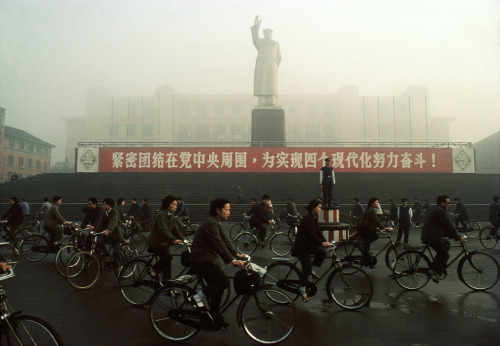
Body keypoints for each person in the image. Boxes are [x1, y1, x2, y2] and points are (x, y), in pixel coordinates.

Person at [189, 198, 245, 327]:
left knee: (217, 288)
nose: (229, 212)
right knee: (223, 282)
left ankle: (214, 315)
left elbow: (224, 240)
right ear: (218, 210)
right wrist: (232, 261)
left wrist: (236, 254)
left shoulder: (215, 221)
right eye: (227, 209)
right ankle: (196, 298)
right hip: (201, 260)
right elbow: (218, 243)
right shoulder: (211, 223)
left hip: (207, 259)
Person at [291, 200, 331, 302]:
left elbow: (317, 231)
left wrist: (325, 241)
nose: (320, 209)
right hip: (301, 247)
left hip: (309, 245)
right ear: (313, 207)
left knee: (322, 253)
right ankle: (302, 288)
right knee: (306, 267)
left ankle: (311, 269)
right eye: (319, 207)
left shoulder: (314, 217)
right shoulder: (307, 218)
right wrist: (321, 243)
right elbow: (310, 233)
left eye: (321, 207)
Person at [421, 195, 465, 282]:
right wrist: (458, 237)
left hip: (430, 235)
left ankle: (436, 266)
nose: (449, 204)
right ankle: (434, 272)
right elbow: (448, 224)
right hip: (432, 237)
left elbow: (439, 225)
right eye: (448, 202)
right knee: (445, 255)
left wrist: (449, 235)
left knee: (446, 244)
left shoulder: (436, 209)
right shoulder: (440, 211)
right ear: (442, 203)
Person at [147, 195, 183, 280]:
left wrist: (183, 239)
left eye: (176, 204)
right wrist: (173, 240)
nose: (176, 206)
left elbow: (175, 229)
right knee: (168, 257)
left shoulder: (171, 215)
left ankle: (168, 286)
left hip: (163, 243)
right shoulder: (161, 215)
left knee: (167, 264)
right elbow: (163, 230)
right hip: (156, 243)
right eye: (173, 204)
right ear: (167, 204)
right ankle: (153, 269)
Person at [251, 16, 281, 106]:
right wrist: (256, 27)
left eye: (269, 32)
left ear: (271, 33)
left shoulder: (275, 43)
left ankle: (272, 100)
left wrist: (275, 65)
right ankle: (262, 100)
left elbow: (279, 56)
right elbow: (255, 39)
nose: (267, 34)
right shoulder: (260, 42)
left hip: (272, 67)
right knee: (262, 83)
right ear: (263, 33)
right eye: (265, 32)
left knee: (271, 83)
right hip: (262, 66)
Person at [95, 198, 124, 272]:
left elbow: (113, 222)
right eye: (103, 204)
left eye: (105, 204)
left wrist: (108, 230)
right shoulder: (106, 213)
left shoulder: (114, 212)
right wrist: (95, 231)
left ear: (109, 205)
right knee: (99, 241)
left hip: (115, 233)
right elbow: (102, 223)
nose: (103, 206)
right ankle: (106, 254)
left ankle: (119, 266)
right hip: (108, 233)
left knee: (116, 250)